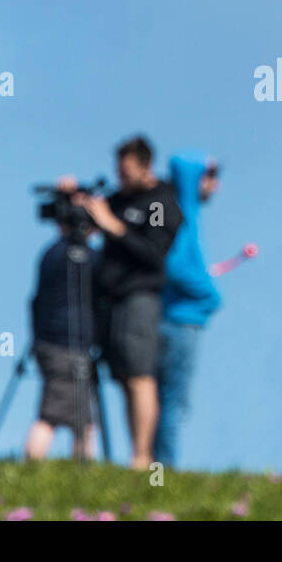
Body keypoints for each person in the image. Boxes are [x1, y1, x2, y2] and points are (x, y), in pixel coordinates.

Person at [62, 135, 181, 470]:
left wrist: (113, 226)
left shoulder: (159, 204)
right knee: (122, 378)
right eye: (119, 171)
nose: (122, 178)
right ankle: (125, 456)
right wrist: (76, 202)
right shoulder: (116, 199)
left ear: (146, 167)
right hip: (109, 302)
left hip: (140, 299)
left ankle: (142, 457)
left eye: (127, 171)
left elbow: (153, 253)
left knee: (139, 376)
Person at [154, 153, 223, 469]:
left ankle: (156, 469)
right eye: (212, 177)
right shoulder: (183, 212)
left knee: (166, 400)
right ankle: (163, 469)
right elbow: (174, 265)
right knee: (173, 401)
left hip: (173, 319)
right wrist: (209, 296)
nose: (217, 187)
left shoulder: (179, 209)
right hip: (181, 323)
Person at [23, 219, 99, 461]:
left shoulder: (51, 253)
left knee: (80, 418)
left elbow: (34, 302)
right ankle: (36, 466)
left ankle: (76, 473)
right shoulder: (87, 258)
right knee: (54, 417)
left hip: (48, 343)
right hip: (69, 345)